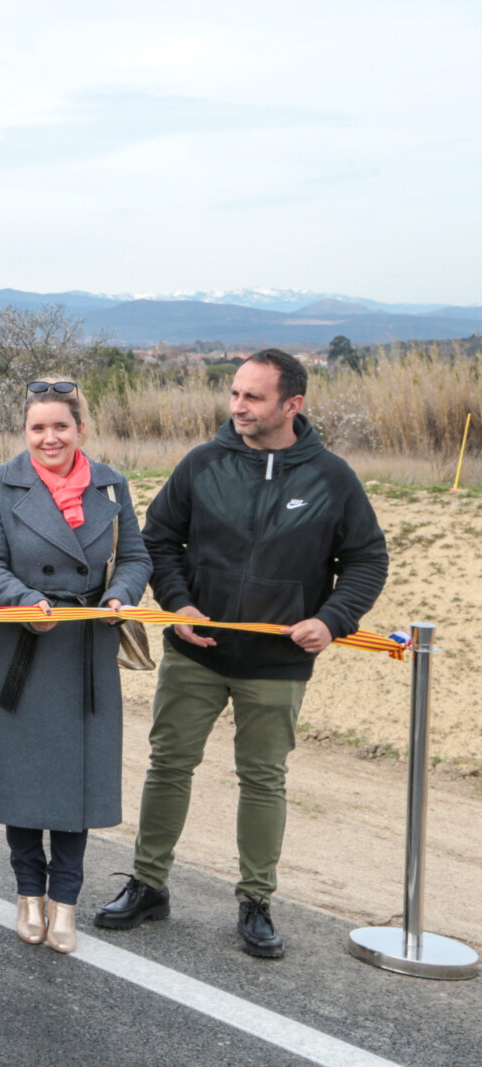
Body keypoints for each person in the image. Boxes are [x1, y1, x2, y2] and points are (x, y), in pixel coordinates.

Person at [95, 349, 388, 958]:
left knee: (264, 780)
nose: (237, 407)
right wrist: (178, 605)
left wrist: (332, 620)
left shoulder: (332, 477)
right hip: (196, 652)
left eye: (252, 397)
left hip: (277, 663)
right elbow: (158, 541)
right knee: (169, 766)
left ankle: (256, 901)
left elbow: (366, 560)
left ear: (292, 405)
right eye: (234, 394)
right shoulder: (203, 463)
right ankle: (149, 884)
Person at [0, 379, 151, 954]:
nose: (50, 438)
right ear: (25, 433)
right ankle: (28, 893)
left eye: (60, 426)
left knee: (77, 785)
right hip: (23, 645)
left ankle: (65, 901)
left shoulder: (112, 484)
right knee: (22, 780)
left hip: (87, 648)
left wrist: (120, 595)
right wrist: (23, 602)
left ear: (81, 429)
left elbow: (137, 557)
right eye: (37, 428)